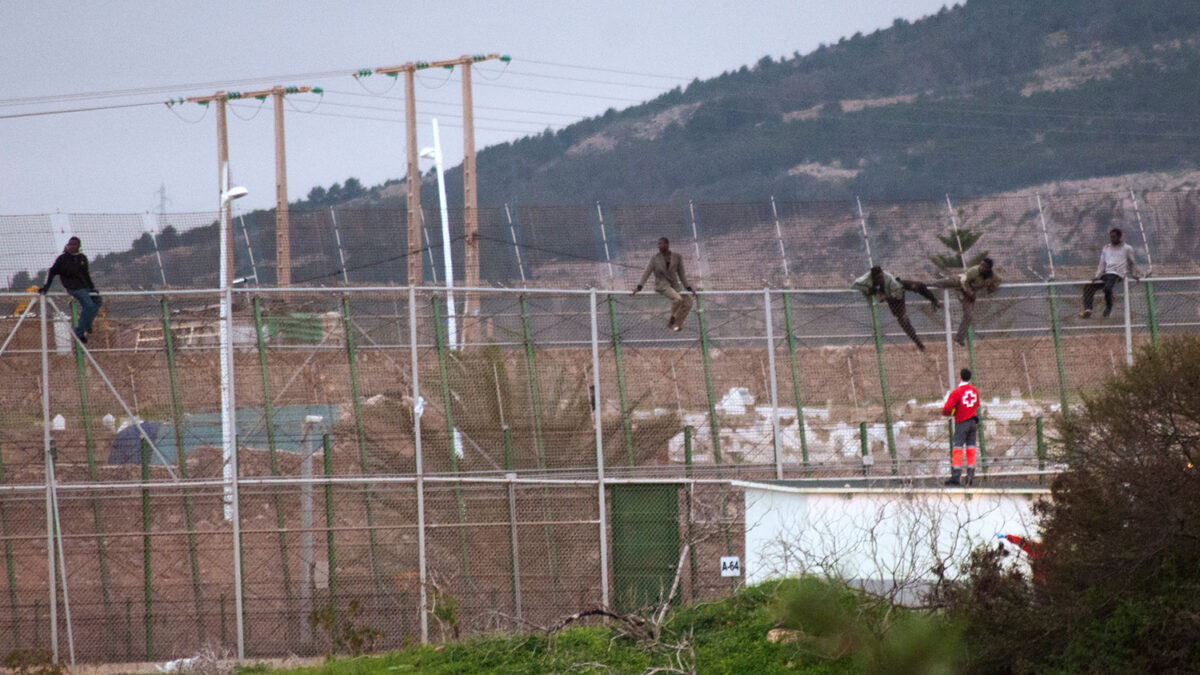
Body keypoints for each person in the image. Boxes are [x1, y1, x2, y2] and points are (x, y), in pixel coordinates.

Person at [852, 266, 941, 351]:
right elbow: (855, 285)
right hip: (887, 294)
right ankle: (919, 344)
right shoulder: (866, 279)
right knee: (902, 319)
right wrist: (870, 290)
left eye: (881, 277)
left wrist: (887, 297)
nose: (880, 279)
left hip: (896, 290)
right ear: (873, 278)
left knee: (918, 286)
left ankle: (934, 300)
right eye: (878, 278)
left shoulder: (890, 279)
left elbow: (898, 294)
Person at [38, 236, 102, 344]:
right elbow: (51, 272)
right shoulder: (62, 259)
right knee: (89, 305)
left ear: (79, 246)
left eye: (74, 244)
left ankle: (87, 323)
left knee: (98, 301)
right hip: (73, 288)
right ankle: (79, 332)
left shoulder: (82, 258)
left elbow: (86, 275)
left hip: (85, 287)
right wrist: (45, 288)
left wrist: (92, 288)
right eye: (70, 244)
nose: (72, 247)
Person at [930, 257, 1000, 346]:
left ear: (988, 269)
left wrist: (992, 288)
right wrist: (970, 293)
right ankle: (927, 284)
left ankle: (959, 338)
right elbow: (964, 281)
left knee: (969, 315)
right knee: (948, 281)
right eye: (981, 264)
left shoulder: (992, 276)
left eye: (984, 266)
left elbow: (998, 281)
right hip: (962, 285)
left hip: (968, 296)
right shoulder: (974, 271)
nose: (981, 267)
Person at [632, 237, 697, 332]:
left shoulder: (677, 257)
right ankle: (673, 318)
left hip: (674, 285)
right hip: (662, 285)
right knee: (678, 299)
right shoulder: (655, 258)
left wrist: (689, 288)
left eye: (661, 244)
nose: (659, 246)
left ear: (667, 244)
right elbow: (647, 273)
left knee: (688, 303)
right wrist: (639, 287)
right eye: (658, 244)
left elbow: (682, 275)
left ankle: (676, 324)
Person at [1079, 227, 1140, 319]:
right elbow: (1102, 263)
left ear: (1120, 237)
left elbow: (1132, 262)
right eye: (1111, 237)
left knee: (1107, 288)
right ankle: (1088, 309)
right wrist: (1097, 276)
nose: (1112, 239)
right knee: (1088, 287)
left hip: (1117, 273)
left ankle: (1109, 306)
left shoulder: (1127, 248)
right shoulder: (1106, 247)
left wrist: (1134, 275)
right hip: (1106, 274)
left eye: (1114, 237)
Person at [943, 368, 980, 486]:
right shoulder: (974, 390)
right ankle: (970, 477)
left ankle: (955, 477)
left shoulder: (957, 392)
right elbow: (977, 403)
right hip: (973, 422)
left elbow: (947, 409)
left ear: (960, 376)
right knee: (971, 449)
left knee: (958, 449)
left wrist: (953, 412)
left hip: (961, 423)